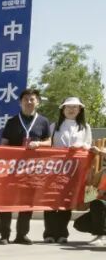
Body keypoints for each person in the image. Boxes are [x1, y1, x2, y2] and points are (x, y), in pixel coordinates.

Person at [0, 88, 52, 245]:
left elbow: (49, 142)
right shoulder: (12, 121)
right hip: (12, 169)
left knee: (27, 202)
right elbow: (4, 143)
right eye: (25, 99)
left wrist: (39, 144)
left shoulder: (43, 121)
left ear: (38, 102)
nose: (29, 102)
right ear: (20, 102)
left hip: (33, 169)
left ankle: (22, 234)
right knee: (6, 202)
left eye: (32, 99)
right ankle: (4, 235)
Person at [44, 97, 95, 243]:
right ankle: (49, 233)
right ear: (63, 109)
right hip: (54, 169)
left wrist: (80, 147)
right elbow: (48, 144)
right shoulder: (54, 126)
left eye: (75, 107)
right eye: (68, 107)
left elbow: (88, 145)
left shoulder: (85, 127)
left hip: (74, 170)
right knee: (51, 201)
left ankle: (62, 234)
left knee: (66, 202)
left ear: (80, 110)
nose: (71, 110)